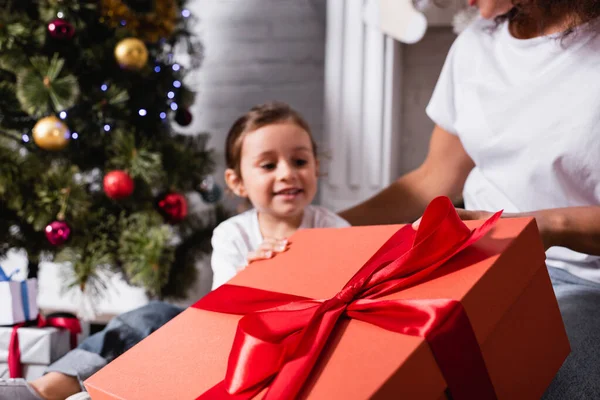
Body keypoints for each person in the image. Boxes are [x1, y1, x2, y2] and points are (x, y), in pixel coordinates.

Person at [0, 102, 348, 400]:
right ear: (237, 182)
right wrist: (254, 275)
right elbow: (222, 310)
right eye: (269, 166)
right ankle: (48, 388)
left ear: (316, 166)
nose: (288, 174)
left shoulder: (337, 232)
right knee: (152, 316)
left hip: (295, 344)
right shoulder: (233, 234)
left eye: (300, 161)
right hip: (230, 337)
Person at [340, 0, 600, 398]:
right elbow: (431, 180)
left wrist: (535, 228)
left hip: (580, 279)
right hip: (472, 260)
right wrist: (318, 227)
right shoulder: (476, 45)